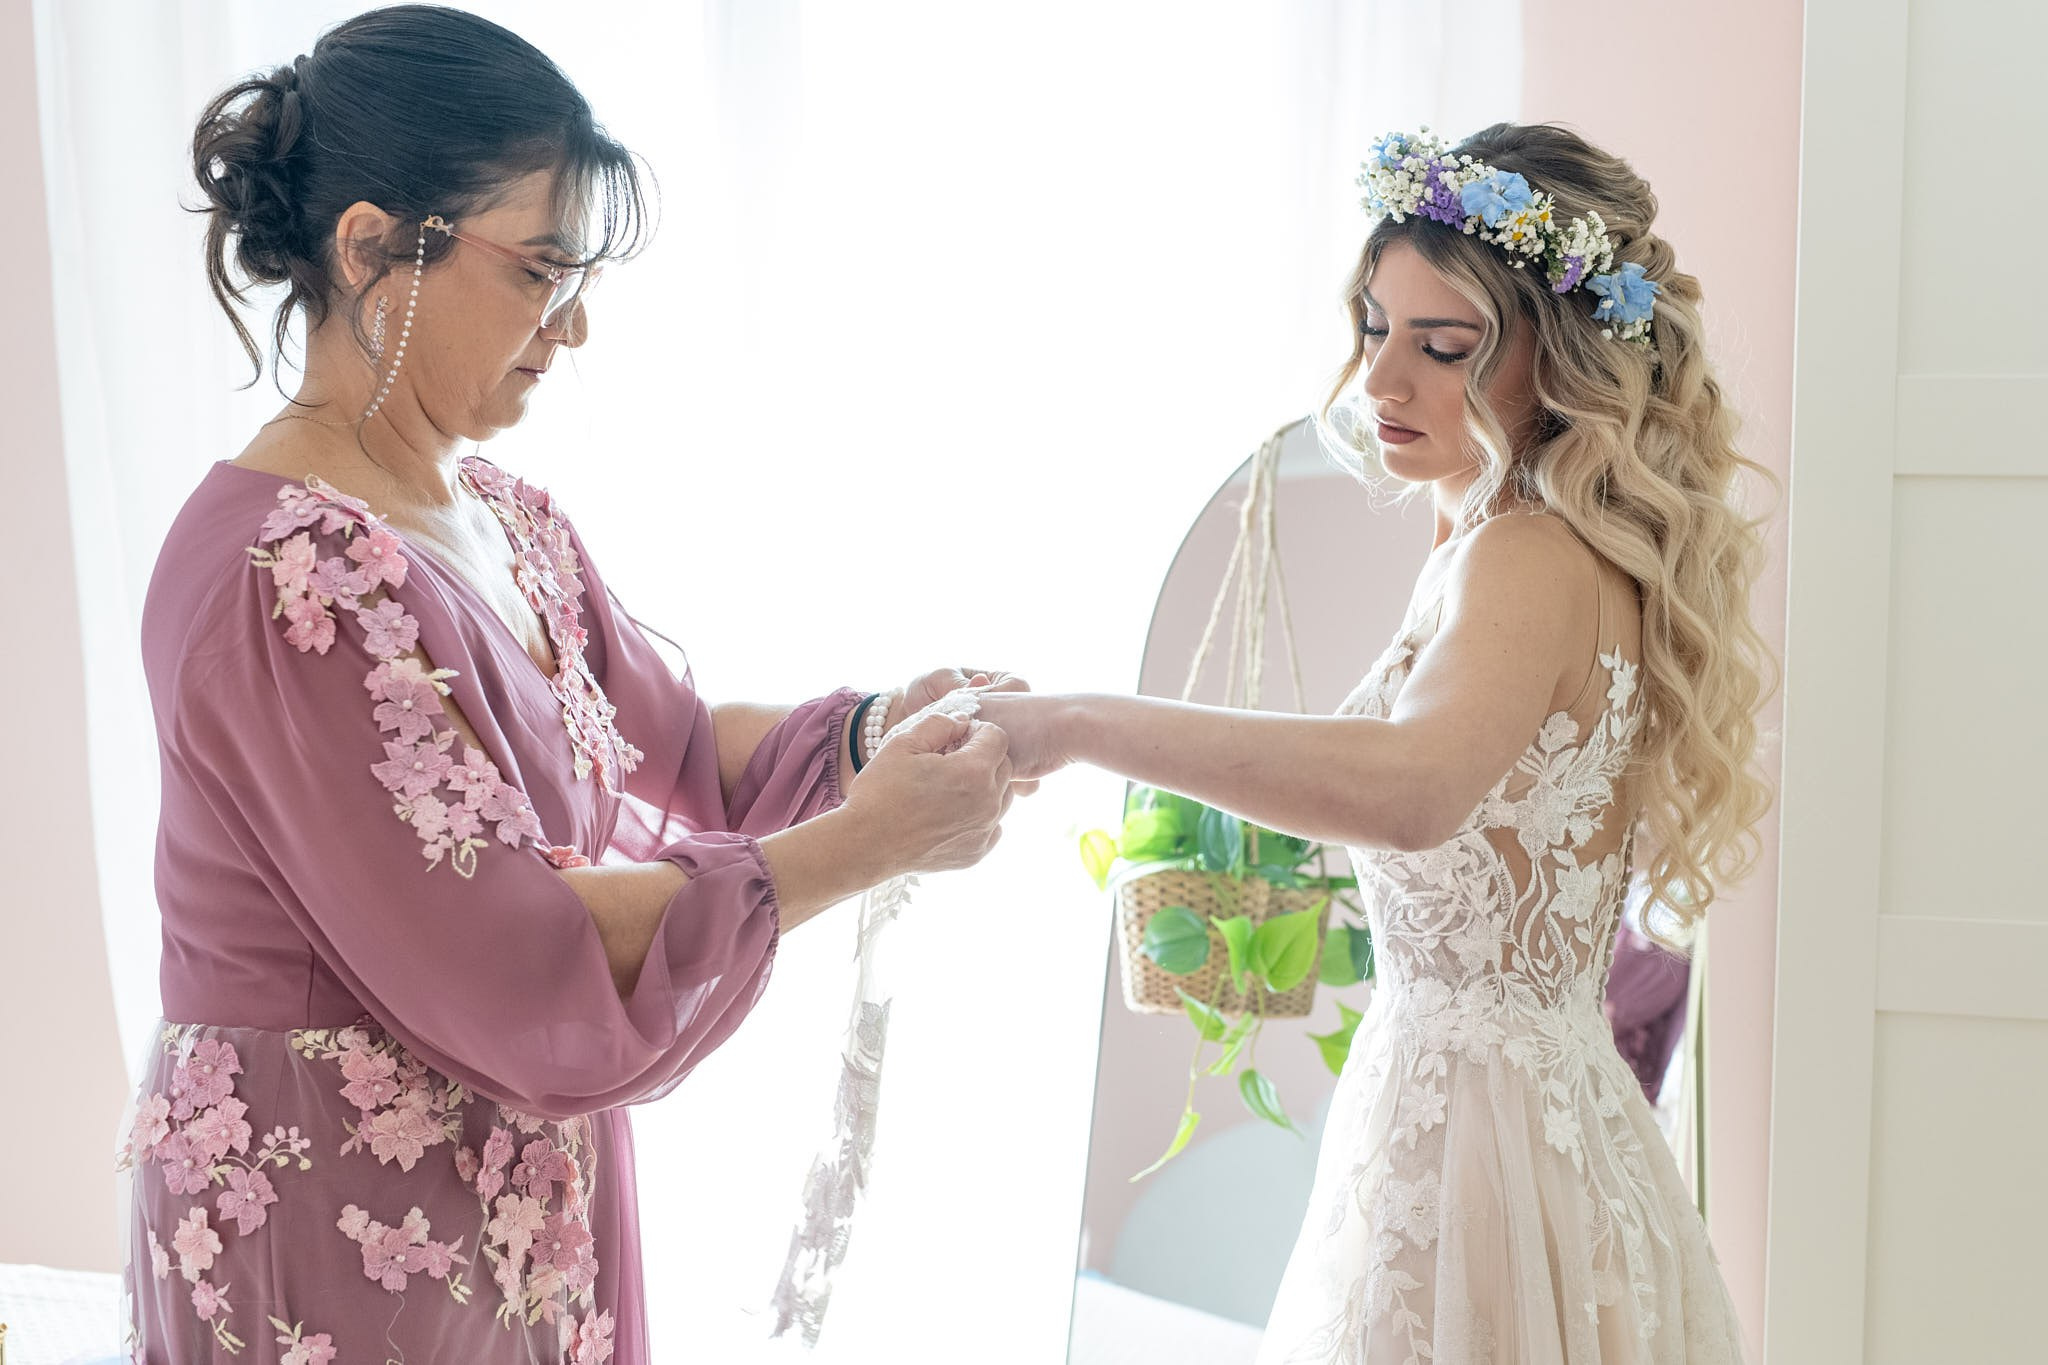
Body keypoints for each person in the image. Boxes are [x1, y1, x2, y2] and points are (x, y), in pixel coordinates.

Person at [116, 9, 1023, 1361]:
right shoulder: (274, 572)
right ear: (373, 247)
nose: (576, 322)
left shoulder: (498, 514)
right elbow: (512, 941)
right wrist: (872, 837)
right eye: (540, 268)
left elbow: (681, 752)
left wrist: (887, 728)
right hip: (323, 1208)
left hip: (519, 1197)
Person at [980, 124, 1770, 1361]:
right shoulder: (1544, 549)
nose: (1381, 384)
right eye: (1373, 329)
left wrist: (1081, 723)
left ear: (1557, 367)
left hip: (1479, 1143)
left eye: (1443, 347)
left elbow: (1411, 792)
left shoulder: (1520, 554)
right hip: (1520, 1118)